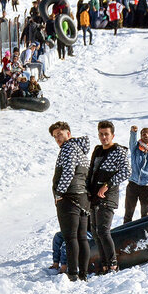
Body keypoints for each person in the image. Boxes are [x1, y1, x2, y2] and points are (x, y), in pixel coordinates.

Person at [86, 121, 131, 273]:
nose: (103, 137)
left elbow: (126, 171)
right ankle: (104, 264)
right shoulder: (97, 150)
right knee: (96, 232)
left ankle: (112, 264)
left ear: (113, 135)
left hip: (107, 197)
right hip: (93, 197)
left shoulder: (119, 151)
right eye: (101, 134)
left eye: (106, 134)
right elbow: (91, 171)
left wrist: (107, 184)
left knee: (104, 231)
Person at [50, 121, 90, 282]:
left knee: (71, 237)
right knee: (81, 237)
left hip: (69, 198)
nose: (58, 139)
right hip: (82, 198)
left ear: (69, 133)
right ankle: (83, 273)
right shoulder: (80, 150)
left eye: (60, 134)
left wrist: (59, 192)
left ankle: (73, 274)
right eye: (55, 136)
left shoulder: (68, 148)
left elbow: (68, 171)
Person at [124, 125, 148, 223]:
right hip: (133, 183)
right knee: (129, 212)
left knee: (145, 214)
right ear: (141, 135)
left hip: (147, 186)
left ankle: (144, 235)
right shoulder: (136, 147)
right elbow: (132, 142)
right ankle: (126, 234)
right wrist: (133, 132)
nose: (146, 135)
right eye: (143, 133)